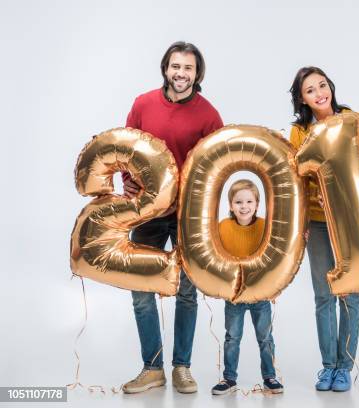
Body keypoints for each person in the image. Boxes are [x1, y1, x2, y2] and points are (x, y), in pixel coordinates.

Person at [121, 41, 223, 394]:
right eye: (175, 66)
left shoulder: (209, 115)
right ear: (166, 68)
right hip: (147, 213)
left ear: (198, 74)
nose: (181, 73)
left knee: (187, 293)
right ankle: (152, 368)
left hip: (187, 216)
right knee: (140, 290)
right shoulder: (143, 104)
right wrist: (129, 184)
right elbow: (126, 150)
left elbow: (217, 168)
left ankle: (181, 367)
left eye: (188, 68)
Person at [288, 66, 359, 392]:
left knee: (349, 293)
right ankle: (329, 367)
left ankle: (345, 366)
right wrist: (300, 223)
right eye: (311, 90)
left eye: (322, 85)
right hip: (317, 222)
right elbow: (296, 180)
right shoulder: (298, 132)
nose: (320, 93)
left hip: (350, 218)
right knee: (323, 296)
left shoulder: (353, 119)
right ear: (302, 98)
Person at [210, 179, 284, 395]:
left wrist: (274, 286)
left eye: (249, 201)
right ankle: (229, 378)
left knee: (265, 338)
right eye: (239, 202)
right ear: (231, 205)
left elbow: (274, 259)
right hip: (234, 295)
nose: (244, 206)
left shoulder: (265, 226)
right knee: (232, 337)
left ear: (257, 204)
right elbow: (216, 258)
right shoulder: (222, 227)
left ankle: (270, 376)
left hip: (259, 294)